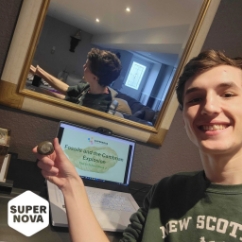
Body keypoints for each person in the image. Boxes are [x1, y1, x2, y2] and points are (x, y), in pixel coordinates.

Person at [33, 50, 242, 241]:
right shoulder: (165, 192)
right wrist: (71, 185)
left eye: (228, 94)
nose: (210, 107)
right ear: (184, 117)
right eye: (195, 99)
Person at [30, 48, 122, 113]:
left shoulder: (96, 108)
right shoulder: (91, 87)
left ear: (95, 77)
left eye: (86, 66)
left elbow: (69, 104)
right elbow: (68, 90)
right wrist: (37, 71)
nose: (83, 67)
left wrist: (39, 81)